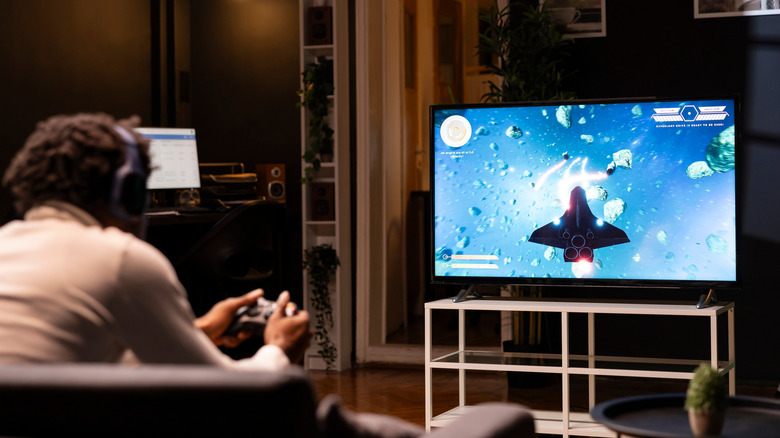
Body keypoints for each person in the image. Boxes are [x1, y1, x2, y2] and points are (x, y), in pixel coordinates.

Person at [0, 112, 312, 369]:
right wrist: (280, 349)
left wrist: (197, 333)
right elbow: (222, 394)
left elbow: (93, 364)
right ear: (129, 192)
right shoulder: (121, 259)